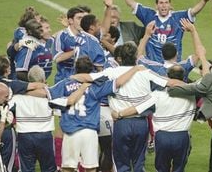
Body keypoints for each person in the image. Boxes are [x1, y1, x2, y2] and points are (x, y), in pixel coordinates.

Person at [70, 43, 183, 172]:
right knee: (139, 163)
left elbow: (86, 77)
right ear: (136, 57)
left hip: (121, 123)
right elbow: (171, 82)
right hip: (141, 123)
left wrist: (70, 78)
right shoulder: (145, 72)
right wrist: (195, 88)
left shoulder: (112, 72)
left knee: (121, 164)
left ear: (119, 58)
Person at [47, 56, 143, 172]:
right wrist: (134, 69)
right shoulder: (95, 87)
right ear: (91, 70)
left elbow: (47, 93)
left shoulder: (64, 83)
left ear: (75, 69)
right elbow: (118, 82)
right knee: (91, 168)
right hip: (89, 132)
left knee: (67, 168)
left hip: (70, 132)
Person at [116, 0, 212, 63]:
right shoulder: (149, 15)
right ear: (156, 5)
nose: (164, 6)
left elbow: (193, 11)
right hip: (153, 65)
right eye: (161, 3)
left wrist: (204, 0)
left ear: (170, 5)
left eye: (166, 3)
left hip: (173, 65)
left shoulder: (177, 17)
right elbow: (131, 3)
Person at [9, 66, 56, 172]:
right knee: (49, 169)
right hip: (45, 136)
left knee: (26, 169)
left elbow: (7, 109)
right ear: (43, 80)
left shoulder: (18, 97)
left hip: (24, 136)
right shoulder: (51, 96)